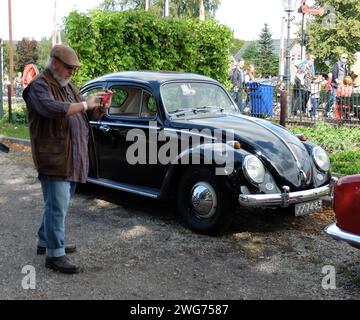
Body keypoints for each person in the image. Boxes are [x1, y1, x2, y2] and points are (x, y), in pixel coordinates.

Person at [22, 45, 111, 274]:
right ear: (54, 64)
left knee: (57, 205)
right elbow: (52, 109)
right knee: (57, 207)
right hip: (54, 158)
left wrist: (98, 109)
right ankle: (55, 254)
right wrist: (84, 104)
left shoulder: (68, 85)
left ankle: (46, 241)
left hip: (71, 157)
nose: (72, 72)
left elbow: (84, 112)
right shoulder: (39, 86)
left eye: (74, 69)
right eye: (69, 68)